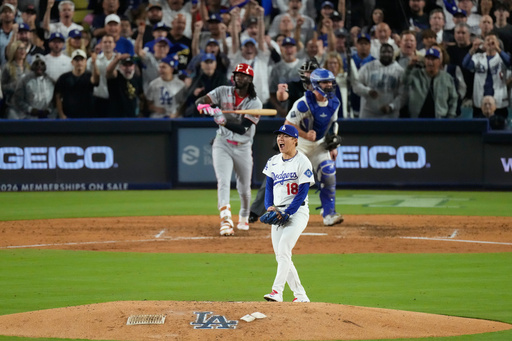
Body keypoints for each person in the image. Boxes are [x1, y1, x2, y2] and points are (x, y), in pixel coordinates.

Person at [195, 63, 262, 236]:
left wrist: (223, 120)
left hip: (243, 146)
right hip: (222, 142)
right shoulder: (222, 91)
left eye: (243, 75)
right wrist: (206, 108)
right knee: (223, 181)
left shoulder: (255, 102)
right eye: (237, 74)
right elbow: (200, 101)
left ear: (250, 79)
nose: (239, 77)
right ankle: (225, 220)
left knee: (244, 189)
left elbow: (243, 128)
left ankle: (244, 215)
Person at [260, 124, 315, 303]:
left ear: (295, 140)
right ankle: (301, 295)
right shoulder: (273, 161)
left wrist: (289, 213)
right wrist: (270, 207)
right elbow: (268, 187)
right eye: (279, 136)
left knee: (284, 248)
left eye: (285, 136)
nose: (280, 139)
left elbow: (302, 192)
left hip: (297, 212)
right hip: (278, 211)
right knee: (281, 255)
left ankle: (277, 292)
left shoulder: (303, 162)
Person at [284, 68, 344, 226]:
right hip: (300, 145)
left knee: (328, 172)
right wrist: (304, 134)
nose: (329, 85)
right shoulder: (303, 103)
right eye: (325, 82)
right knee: (293, 179)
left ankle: (329, 213)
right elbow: (288, 125)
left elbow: (333, 124)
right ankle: (288, 213)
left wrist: (332, 146)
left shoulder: (334, 103)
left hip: (320, 143)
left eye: (330, 82)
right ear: (316, 84)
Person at [462, 33, 511, 118]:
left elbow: (509, 63)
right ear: (484, 44)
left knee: (500, 128)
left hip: (499, 100)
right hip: (480, 100)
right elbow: (465, 64)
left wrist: (497, 49)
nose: (490, 42)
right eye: (487, 40)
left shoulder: (502, 58)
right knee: (479, 128)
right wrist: (473, 49)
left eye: (493, 40)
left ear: (498, 43)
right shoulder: (477, 57)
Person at [402, 47, 458, 118]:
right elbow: (404, 81)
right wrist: (409, 67)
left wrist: (451, 115)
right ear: (425, 60)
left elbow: (453, 98)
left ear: (439, 61)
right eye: (428, 58)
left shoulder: (446, 77)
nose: (430, 62)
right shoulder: (416, 74)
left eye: (433, 59)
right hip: (418, 117)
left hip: (440, 118)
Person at [354, 43, 404, 119]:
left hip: (390, 115)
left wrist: (392, 106)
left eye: (389, 52)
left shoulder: (399, 71)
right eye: (383, 52)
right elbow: (356, 84)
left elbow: (403, 95)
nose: (386, 54)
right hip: (368, 114)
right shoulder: (367, 67)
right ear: (379, 53)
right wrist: (367, 91)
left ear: (393, 54)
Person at [54, 49, 99, 119]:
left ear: (85, 62)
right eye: (77, 60)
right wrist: (61, 114)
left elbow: (95, 80)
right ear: (72, 62)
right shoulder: (64, 78)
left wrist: (95, 63)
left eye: (81, 60)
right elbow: (58, 96)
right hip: (69, 116)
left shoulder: (89, 76)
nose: (79, 62)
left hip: (87, 116)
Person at [11, 54, 56, 119]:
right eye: (36, 64)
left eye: (42, 64)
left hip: (48, 117)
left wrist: (49, 110)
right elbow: (18, 100)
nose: (39, 66)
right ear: (32, 66)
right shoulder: (24, 80)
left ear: (45, 66)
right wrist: (30, 109)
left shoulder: (51, 81)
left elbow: (55, 100)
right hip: (29, 117)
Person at [146, 54, 187, 118]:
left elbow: (184, 104)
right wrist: (156, 108)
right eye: (160, 67)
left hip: (175, 117)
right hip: (157, 117)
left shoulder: (180, 85)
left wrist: (177, 114)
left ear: (171, 69)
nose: (161, 70)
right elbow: (148, 104)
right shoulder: (153, 84)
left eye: (164, 67)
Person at [105, 53, 144, 117]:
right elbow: (109, 71)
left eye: (130, 65)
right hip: (116, 117)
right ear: (120, 66)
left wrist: (141, 111)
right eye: (125, 65)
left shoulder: (136, 78)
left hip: (132, 117)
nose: (128, 68)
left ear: (133, 66)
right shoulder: (116, 76)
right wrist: (117, 59)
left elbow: (141, 96)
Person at [2, 40, 29, 118]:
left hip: (27, 108)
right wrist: (15, 85)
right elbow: (2, 88)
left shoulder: (28, 68)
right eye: (20, 49)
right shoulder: (7, 67)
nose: (23, 51)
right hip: (13, 107)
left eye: (24, 48)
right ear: (14, 51)